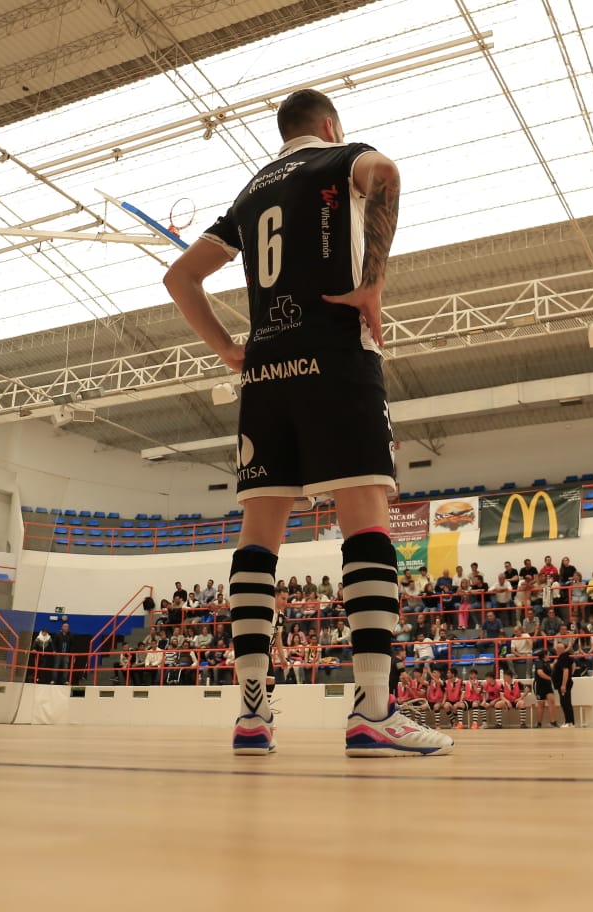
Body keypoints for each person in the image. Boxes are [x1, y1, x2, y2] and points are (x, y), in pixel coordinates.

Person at [163, 88, 450, 757]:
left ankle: (253, 717)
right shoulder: (341, 158)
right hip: (334, 354)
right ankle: (373, 711)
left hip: (264, 373)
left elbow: (181, 279)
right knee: (367, 519)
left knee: (258, 538)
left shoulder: (251, 191)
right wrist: (373, 282)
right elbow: (387, 173)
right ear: (328, 125)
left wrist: (229, 349)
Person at [553, 638, 577, 729]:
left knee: (565, 703)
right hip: (564, 684)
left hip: (564, 685)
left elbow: (566, 671)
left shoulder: (563, 658)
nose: (556, 651)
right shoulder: (566, 657)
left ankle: (569, 721)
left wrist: (563, 684)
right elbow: (573, 665)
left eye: (557, 649)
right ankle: (570, 721)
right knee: (566, 702)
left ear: (560, 650)